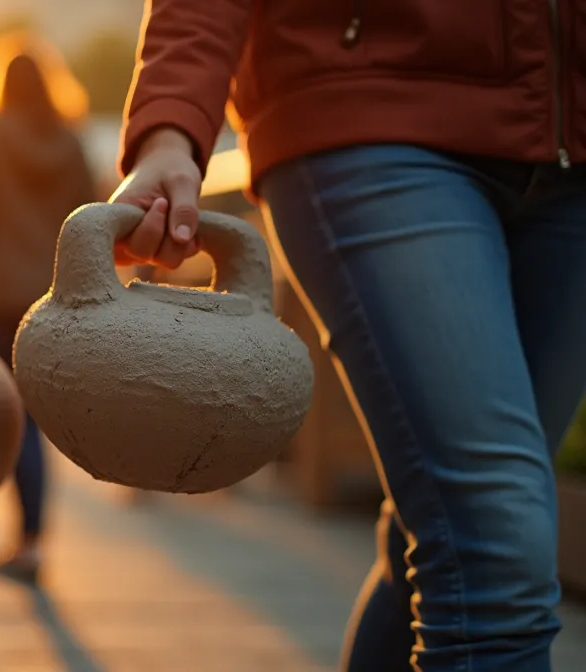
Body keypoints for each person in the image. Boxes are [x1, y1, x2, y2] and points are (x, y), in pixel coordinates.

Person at [112, 2, 586, 670]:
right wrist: (170, 128)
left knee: (457, 528)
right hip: (367, 107)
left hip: (576, 150)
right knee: (492, 541)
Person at [0, 33, 96, 585]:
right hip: (57, 295)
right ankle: (33, 540)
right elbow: (90, 218)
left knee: (14, 416)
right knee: (39, 413)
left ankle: (25, 541)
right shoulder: (73, 141)